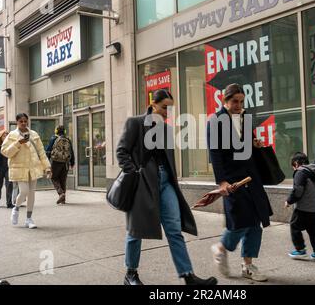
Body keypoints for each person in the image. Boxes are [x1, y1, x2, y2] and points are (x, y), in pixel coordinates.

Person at [116, 89, 217, 286]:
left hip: (165, 183)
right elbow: (121, 152)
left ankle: (188, 275)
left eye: (170, 108)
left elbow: (167, 159)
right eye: (164, 107)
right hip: (142, 184)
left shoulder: (168, 129)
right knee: (136, 231)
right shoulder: (135, 123)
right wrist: (135, 173)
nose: (167, 112)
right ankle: (131, 274)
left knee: (174, 229)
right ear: (153, 105)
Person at [207, 83, 273, 282]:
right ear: (224, 101)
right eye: (235, 101)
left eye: (241, 101)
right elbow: (215, 154)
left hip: (251, 177)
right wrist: (222, 182)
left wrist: (255, 143)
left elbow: (247, 144)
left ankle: (248, 265)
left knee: (255, 223)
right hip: (232, 179)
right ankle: (222, 247)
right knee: (240, 220)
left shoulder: (245, 118)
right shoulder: (216, 121)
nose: (238, 105)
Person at [1, 113, 52, 229]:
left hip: (33, 167)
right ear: (17, 122)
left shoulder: (34, 134)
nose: (23, 123)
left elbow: (41, 152)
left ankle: (29, 219)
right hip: (19, 168)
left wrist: (47, 167)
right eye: (21, 121)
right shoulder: (12, 136)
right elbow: (5, 152)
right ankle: (16, 208)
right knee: (24, 191)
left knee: (31, 194)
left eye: (25, 121)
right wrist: (18, 143)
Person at [286, 152, 315, 262]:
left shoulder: (300, 172)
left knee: (294, 227)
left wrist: (289, 201)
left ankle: (300, 250)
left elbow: (298, 190)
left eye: (293, 167)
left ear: (296, 163)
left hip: (303, 209)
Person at [45, 126, 75, 204]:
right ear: (64, 131)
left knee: (53, 177)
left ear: (56, 131)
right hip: (65, 163)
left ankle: (60, 193)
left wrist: (46, 162)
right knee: (63, 180)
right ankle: (63, 199)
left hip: (55, 162)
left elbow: (48, 151)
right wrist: (72, 162)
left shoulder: (53, 138)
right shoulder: (68, 139)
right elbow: (71, 151)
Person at [0, 130, 14, 208]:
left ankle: (9, 203)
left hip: (8, 168)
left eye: (7, 135)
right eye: (4, 135)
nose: (6, 137)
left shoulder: (10, 146)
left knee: (9, 185)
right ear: (1, 137)